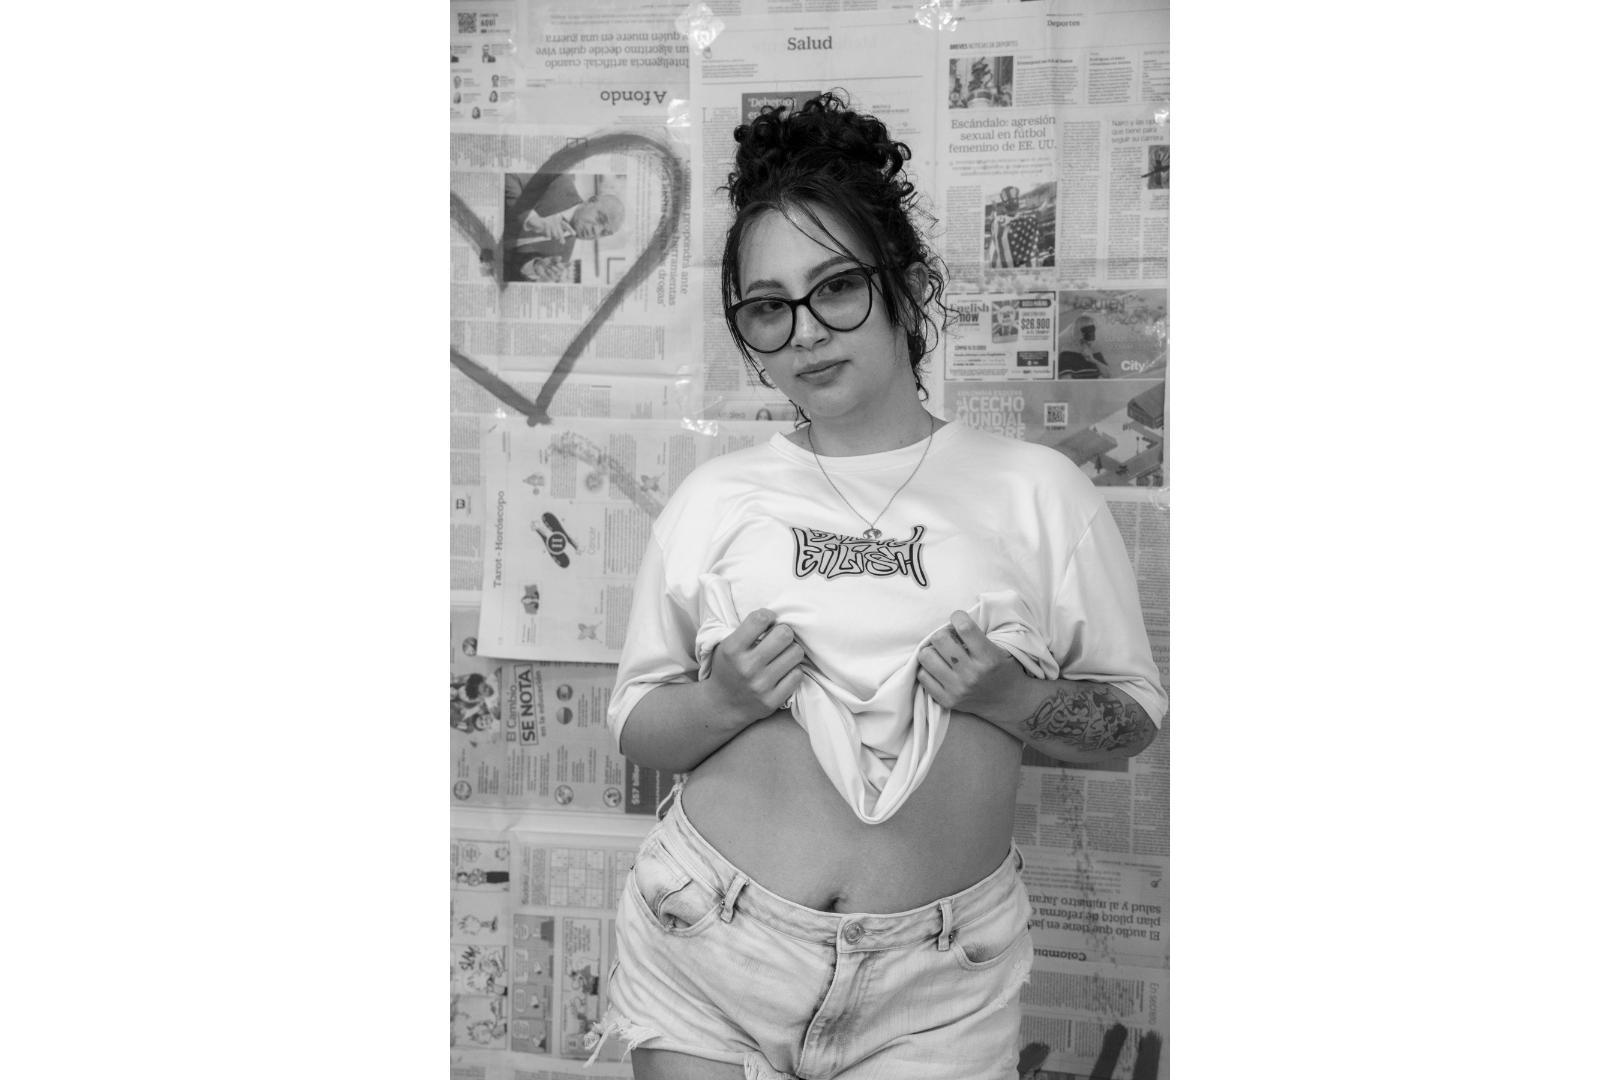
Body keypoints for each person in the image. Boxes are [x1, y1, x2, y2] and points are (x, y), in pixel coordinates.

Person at [594, 92, 1165, 1080]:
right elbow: (640, 724)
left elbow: (1133, 720)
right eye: (769, 308)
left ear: (905, 287)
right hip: (705, 949)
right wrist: (724, 700)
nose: (807, 331)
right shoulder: (716, 498)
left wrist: (1013, 699)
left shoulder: (1035, 490)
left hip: (939, 989)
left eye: (837, 289)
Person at [502, 171, 626, 282]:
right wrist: (530, 218)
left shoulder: (563, 255)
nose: (596, 231)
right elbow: (510, 176)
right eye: (600, 219)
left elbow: (511, 271)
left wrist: (534, 267)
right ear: (591, 201)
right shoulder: (558, 179)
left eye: (603, 233)